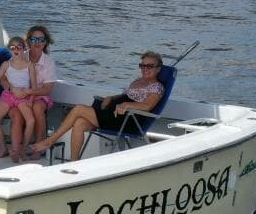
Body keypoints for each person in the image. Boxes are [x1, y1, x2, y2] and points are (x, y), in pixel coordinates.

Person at [31, 51, 166, 161]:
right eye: (142, 65)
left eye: (150, 66)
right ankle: (74, 162)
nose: (145, 69)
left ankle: (50, 141)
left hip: (126, 121)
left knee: (79, 109)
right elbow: (125, 95)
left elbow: (147, 106)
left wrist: (126, 104)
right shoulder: (138, 81)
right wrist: (111, 98)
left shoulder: (156, 87)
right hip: (113, 115)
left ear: (158, 68)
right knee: (79, 123)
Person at [0, 35, 40, 162]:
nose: (16, 50)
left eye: (19, 47)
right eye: (13, 48)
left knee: (31, 121)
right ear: (9, 50)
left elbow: (34, 87)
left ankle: (23, 150)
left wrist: (30, 99)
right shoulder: (6, 64)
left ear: (24, 49)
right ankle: (4, 148)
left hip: (23, 97)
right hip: (8, 96)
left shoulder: (30, 65)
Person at [22, 23, 57, 149]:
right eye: (34, 39)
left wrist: (30, 92)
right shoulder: (21, 56)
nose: (37, 43)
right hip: (21, 94)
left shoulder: (49, 62)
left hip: (40, 96)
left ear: (45, 42)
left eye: (41, 39)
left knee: (37, 107)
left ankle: (38, 146)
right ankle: (16, 147)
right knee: (15, 110)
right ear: (28, 41)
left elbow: (47, 90)